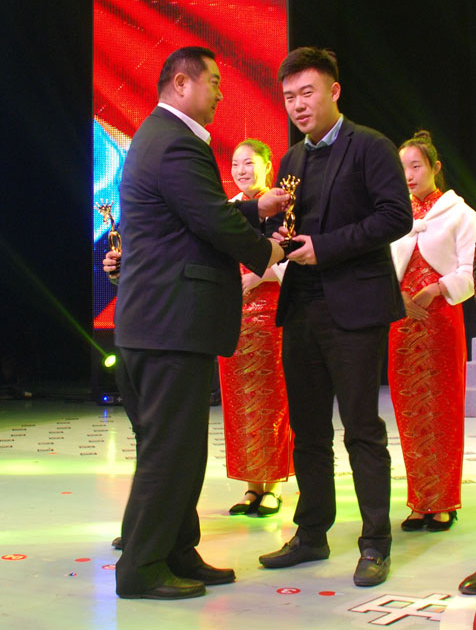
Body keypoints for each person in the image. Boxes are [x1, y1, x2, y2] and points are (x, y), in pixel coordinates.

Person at [111, 46, 286, 600]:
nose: (221, 93)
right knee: (170, 451)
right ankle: (141, 568)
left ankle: (177, 550)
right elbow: (209, 219)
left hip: (158, 322)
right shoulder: (176, 142)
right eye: (214, 82)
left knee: (179, 449)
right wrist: (267, 251)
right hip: (169, 323)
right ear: (182, 83)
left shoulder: (159, 137)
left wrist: (254, 210)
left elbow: (192, 214)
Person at [258, 46, 413, 587]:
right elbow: (284, 225)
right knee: (306, 429)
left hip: (355, 307)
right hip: (301, 305)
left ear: (334, 91)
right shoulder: (291, 160)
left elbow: (395, 217)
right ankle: (311, 534)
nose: (298, 106)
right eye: (289, 97)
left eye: (307, 93)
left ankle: (375, 543)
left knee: (362, 429)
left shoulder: (370, 146)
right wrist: (277, 235)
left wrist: (323, 248)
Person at [388, 131, 476, 533]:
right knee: (409, 413)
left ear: (435, 167)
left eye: (416, 166)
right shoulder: (394, 216)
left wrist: (436, 289)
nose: (409, 175)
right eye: (403, 168)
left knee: (442, 410)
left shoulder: (461, 214)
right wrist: (396, 296)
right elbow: (382, 267)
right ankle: (419, 501)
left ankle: (443, 502)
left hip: (440, 321)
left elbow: (468, 273)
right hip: (402, 323)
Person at [219, 139, 293, 517]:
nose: (241, 170)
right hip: (234, 315)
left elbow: (293, 255)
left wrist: (260, 276)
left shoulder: (282, 206)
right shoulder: (228, 210)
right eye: (236, 164)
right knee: (240, 403)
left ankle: (273, 484)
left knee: (273, 399)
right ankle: (251, 484)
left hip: (271, 313)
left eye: (249, 163)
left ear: (267, 165)